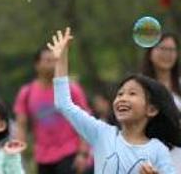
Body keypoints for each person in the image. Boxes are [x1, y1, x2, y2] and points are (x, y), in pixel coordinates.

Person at [49, 27, 180, 174]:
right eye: (120, 94)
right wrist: (61, 60)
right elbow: (64, 104)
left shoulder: (158, 150)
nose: (122, 98)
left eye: (132, 93)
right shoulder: (101, 133)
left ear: (151, 109)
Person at [14, 46, 92, 173]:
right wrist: (17, 154)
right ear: (37, 65)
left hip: (69, 152)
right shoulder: (27, 93)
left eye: (56, 60)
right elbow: (21, 126)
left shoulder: (71, 89)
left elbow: (85, 121)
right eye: (48, 60)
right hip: (42, 157)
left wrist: (83, 153)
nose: (53, 64)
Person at [141, 32, 181, 169]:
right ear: (150, 52)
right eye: (162, 49)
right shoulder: (141, 87)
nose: (167, 54)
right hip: (151, 158)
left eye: (172, 50)